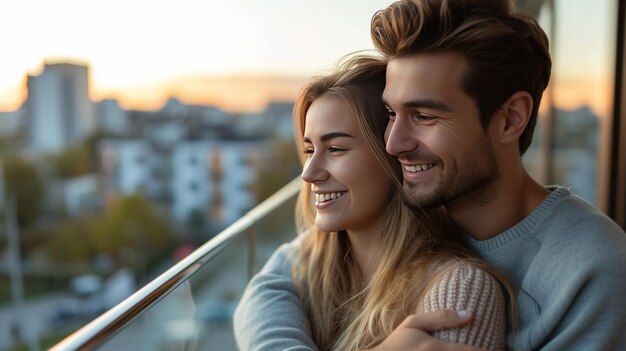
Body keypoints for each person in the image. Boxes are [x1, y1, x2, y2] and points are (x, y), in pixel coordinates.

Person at [234, 0, 626, 350]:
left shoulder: (593, 268)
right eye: (391, 113)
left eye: (424, 116)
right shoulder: (410, 209)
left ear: (511, 119)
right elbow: (274, 282)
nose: (392, 143)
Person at [234, 54, 515, 351]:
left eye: (336, 149)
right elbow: (259, 299)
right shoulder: (307, 268)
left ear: (395, 157)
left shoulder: (460, 290)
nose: (309, 173)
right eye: (309, 149)